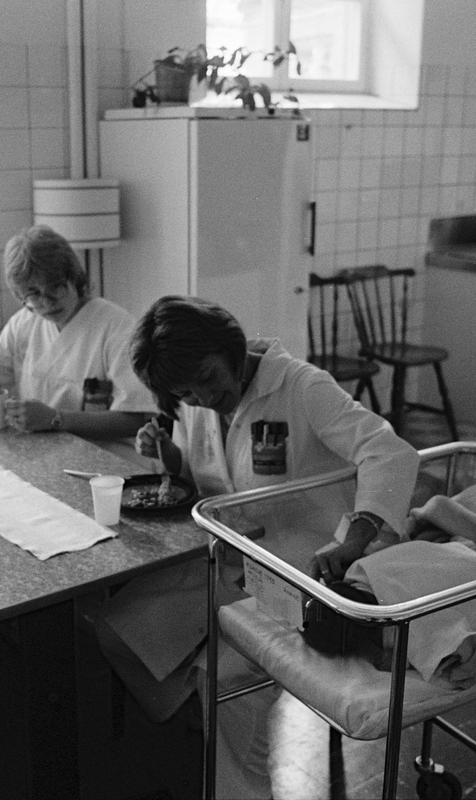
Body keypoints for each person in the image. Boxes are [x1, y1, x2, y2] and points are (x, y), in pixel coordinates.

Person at [94, 295, 419, 798]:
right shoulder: (198, 405)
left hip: (298, 578)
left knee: (223, 687)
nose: (202, 395)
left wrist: (355, 542)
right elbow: (211, 475)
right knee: (118, 629)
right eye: (185, 391)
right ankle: (190, 719)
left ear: (228, 346)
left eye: (206, 377)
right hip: (230, 561)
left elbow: (389, 451)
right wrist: (170, 455)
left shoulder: (300, 387)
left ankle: (230, 772)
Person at [0, 224, 156, 441]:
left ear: (74, 278)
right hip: (44, 453)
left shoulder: (115, 326)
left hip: (111, 459)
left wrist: (55, 419)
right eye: (34, 294)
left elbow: (136, 419)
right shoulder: (24, 323)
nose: (47, 303)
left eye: (55, 287)